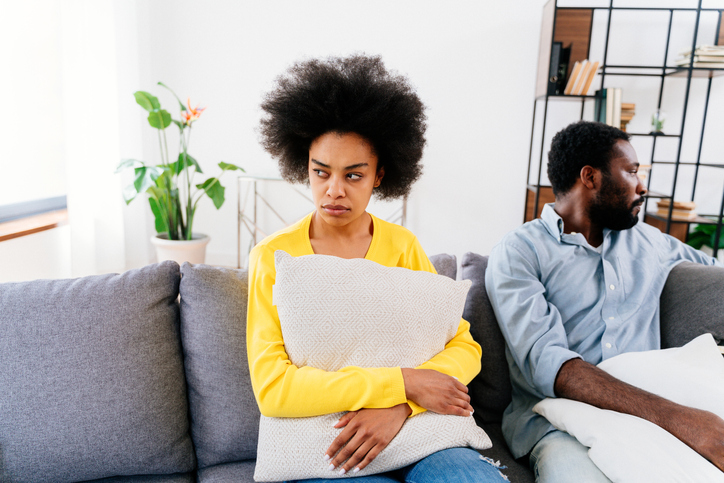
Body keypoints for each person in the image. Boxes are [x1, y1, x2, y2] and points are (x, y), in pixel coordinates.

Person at [247, 54, 508, 483]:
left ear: (379, 176)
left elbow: (465, 347)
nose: (333, 191)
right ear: (304, 168)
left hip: (418, 433)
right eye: (320, 172)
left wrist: (400, 406)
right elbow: (274, 389)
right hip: (330, 446)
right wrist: (403, 382)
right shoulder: (275, 257)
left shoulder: (402, 246)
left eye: (353, 175)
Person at [485, 120, 724, 482]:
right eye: (631, 172)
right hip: (559, 425)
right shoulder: (520, 253)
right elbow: (551, 367)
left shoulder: (651, 242)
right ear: (590, 177)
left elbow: (716, 276)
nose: (643, 187)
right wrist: (681, 419)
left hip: (648, 422)